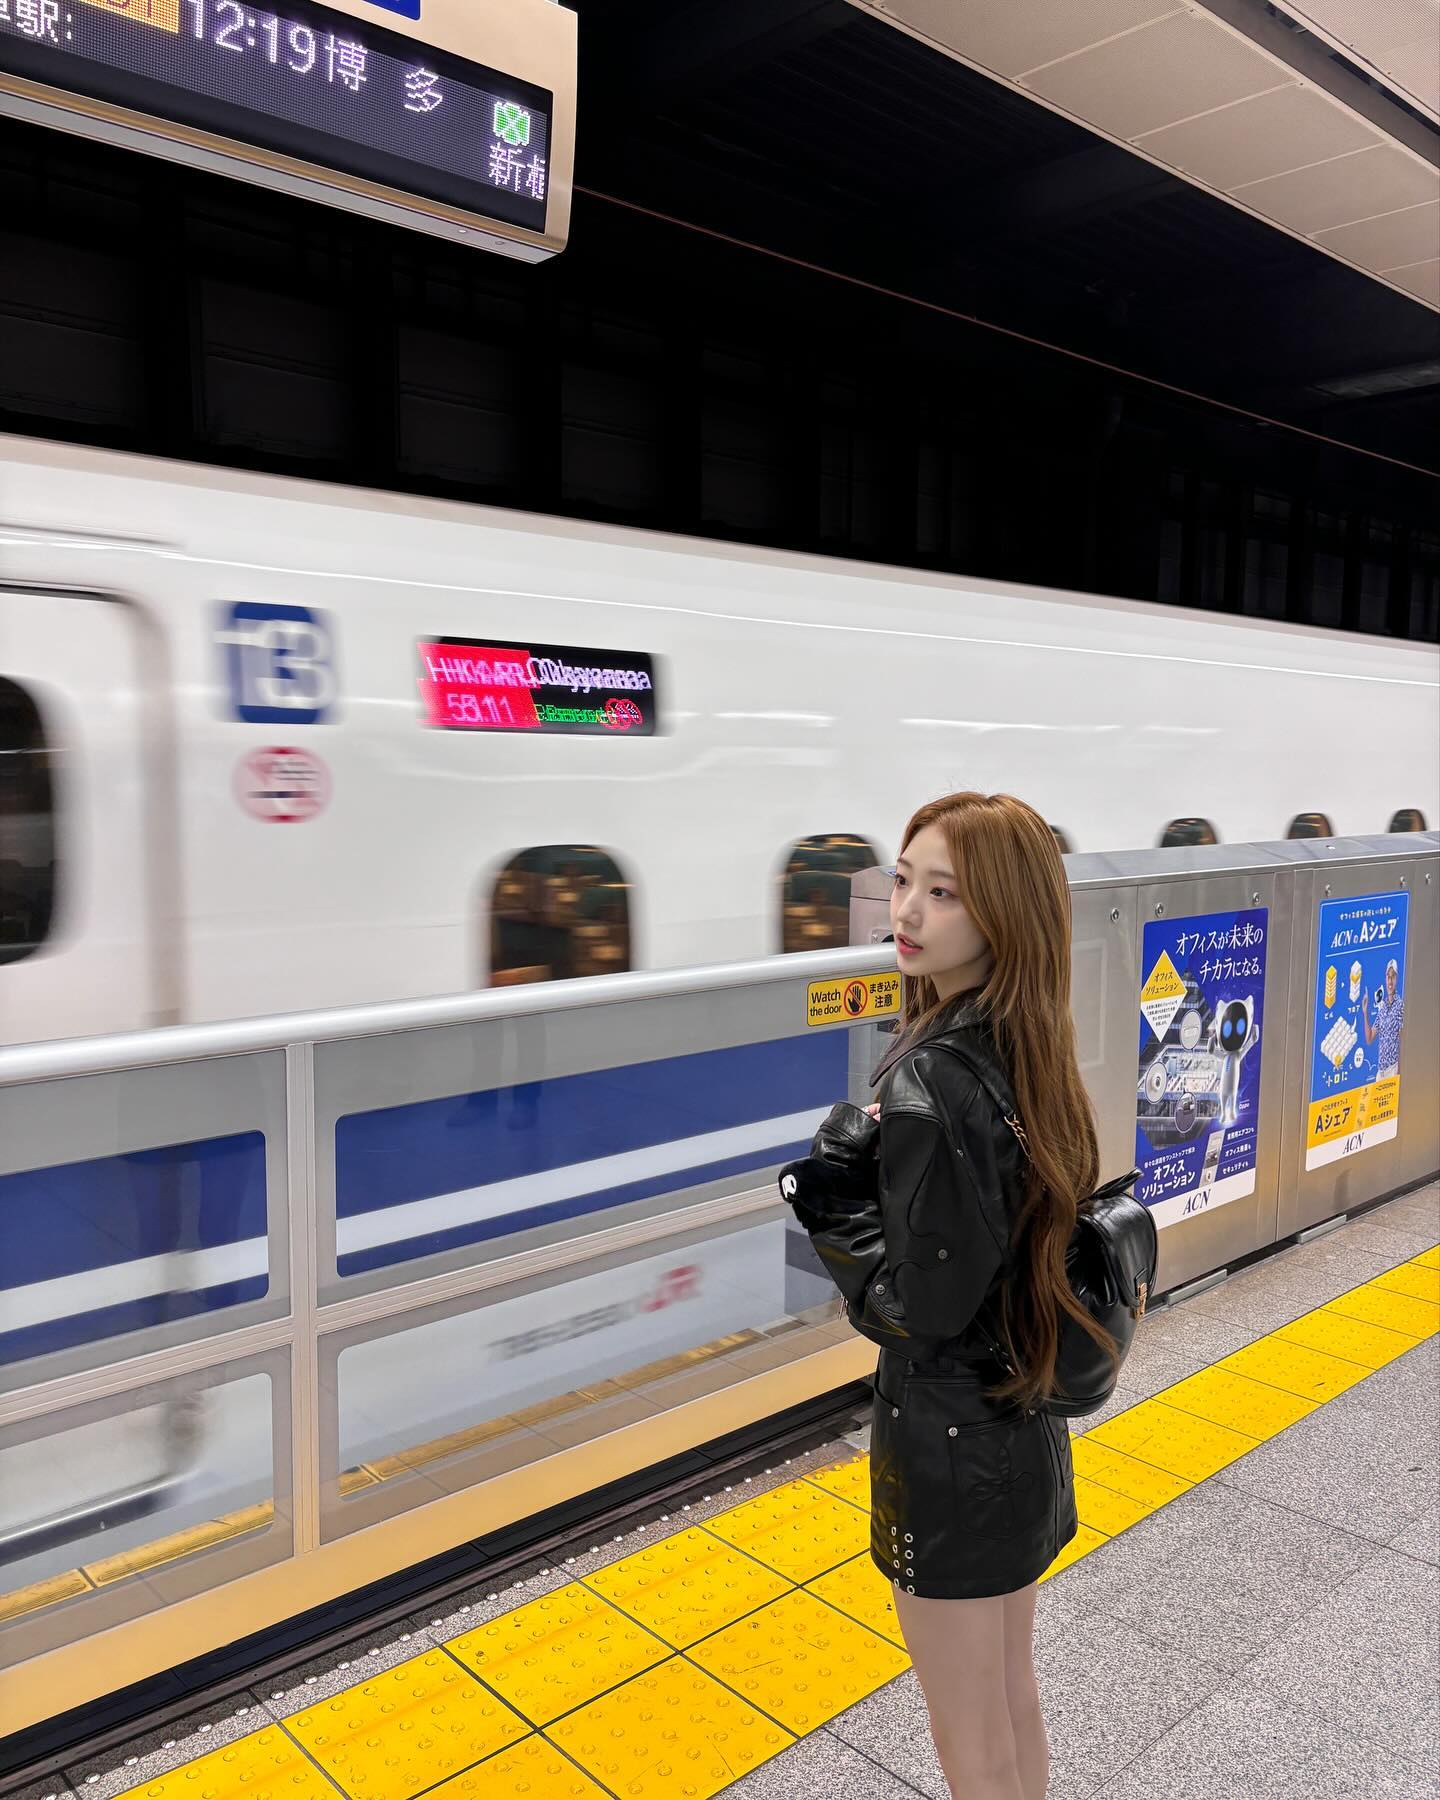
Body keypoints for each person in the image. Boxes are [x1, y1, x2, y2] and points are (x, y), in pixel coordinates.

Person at [779, 791, 1116, 1800]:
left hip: (950, 1447)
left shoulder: (931, 1078)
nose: (907, 912)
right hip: (1020, 1421)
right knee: (1010, 1697)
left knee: (967, 1729)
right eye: (904, 881)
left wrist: (830, 1204)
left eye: (945, 893)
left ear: (1004, 913)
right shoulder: (1027, 1040)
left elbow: (914, 1311)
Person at [1362, 957, 1404, 1081]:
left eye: (1393, 977)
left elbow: (1402, 1040)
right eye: (1388, 977)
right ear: (1385, 979)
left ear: (1397, 979)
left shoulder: (1400, 1006)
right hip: (1381, 1072)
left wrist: (1399, 1072)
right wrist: (1365, 1013)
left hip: (1393, 1069)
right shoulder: (1382, 1008)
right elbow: (1369, 1038)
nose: (1390, 981)